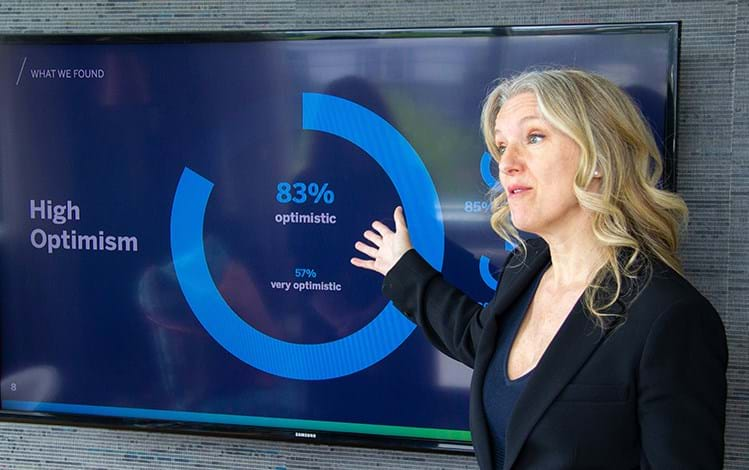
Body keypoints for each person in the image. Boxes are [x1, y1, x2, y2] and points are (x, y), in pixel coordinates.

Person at [350, 69, 728, 470]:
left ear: (598, 157)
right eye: (501, 146)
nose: (506, 165)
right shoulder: (525, 269)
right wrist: (404, 269)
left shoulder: (672, 317)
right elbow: (482, 343)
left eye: (534, 138)